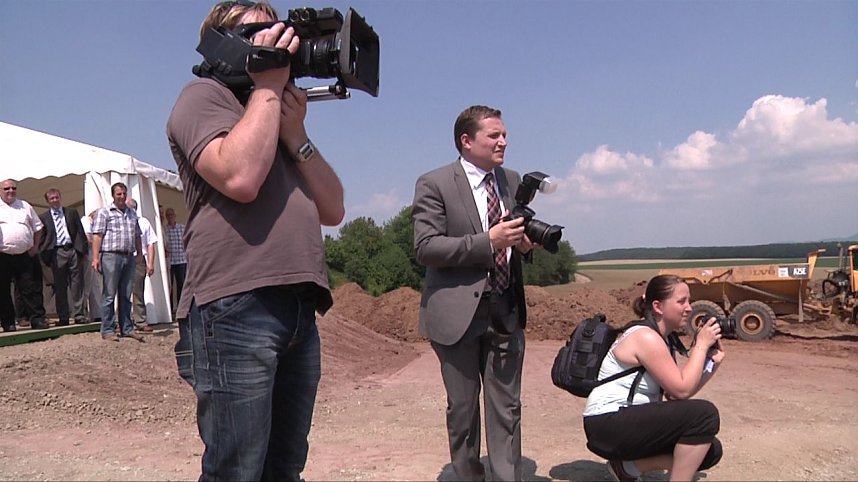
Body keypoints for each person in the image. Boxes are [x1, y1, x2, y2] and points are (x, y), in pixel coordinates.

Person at [166, 1, 345, 479]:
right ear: (223, 42)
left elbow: (333, 208)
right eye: (261, 34)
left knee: (284, 468)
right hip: (235, 305)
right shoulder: (201, 97)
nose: (278, 43)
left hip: (298, 308)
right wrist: (268, 89)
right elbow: (240, 178)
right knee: (236, 471)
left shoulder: (270, 119)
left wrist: (296, 134)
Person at [412, 105, 533, 481]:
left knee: (507, 408)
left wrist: (524, 244)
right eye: (494, 135)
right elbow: (426, 247)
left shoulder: (511, 180)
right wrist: (488, 241)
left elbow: (512, 238)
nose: (503, 141)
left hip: (505, 308)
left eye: (504, 134)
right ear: (467, 141)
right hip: (456, 314)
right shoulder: (435, 183)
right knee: (463, 409)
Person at [582, 274, 725, 482]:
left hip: (626, 421)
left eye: (689, 301)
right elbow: (682, 390)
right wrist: (701, 346)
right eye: (681, 301)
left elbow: (676, 396)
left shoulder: (662, 339)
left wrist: (711, 365)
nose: (689, 308)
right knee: (705, 414)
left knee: (710, 449)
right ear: (658, 306)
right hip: (607, 422)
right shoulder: (645, 336)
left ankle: (627, 468)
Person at [90, 182, 144, 342]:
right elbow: (97, 236)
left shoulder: (132, 213)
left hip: (129, 256)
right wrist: (95, 257)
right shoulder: (104, 212)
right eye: (119, 194)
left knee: (126, 294)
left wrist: (139, 253)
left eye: (124, 193)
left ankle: (127, 328)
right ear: (113, 195)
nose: (122, 196)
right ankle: (108, 329)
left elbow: (137, 235)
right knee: (109, 294)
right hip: (111, 256)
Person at [0, 179, 48, 331]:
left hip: (24, 255)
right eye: (6, 188)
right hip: (3, 255)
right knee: (3, 291)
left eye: (13, 188)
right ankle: (8, 323)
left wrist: (35, 247)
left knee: (30, 289)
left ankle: (37, 320)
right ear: (0, 190)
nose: (10, 191)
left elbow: (38, 228)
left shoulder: (25, 206)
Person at [39, 188, 89, 326]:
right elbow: (42, 238)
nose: (55, 200)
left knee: (77, 284)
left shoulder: (71, 212)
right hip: (56, 252)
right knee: (60, 286)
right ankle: (63, 317)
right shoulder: (44, 217)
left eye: (57, 197)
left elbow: (80, 232)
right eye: (52, 198)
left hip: (72, 249)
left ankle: (79, 314)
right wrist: (44, 255)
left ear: (60, 197)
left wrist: (83, 252)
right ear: (48, 201)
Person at [125, 198, 158, 331]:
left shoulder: (143, 222)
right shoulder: (119, 220)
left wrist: (150, 263)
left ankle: (140, 321)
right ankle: (123, 322)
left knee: (138, 291)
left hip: (138, 259)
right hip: (123, 257)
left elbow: (150, 243)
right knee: (122, 291)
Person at [163, 207, 187, 316]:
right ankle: (171, 309)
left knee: (181, 285)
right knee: (170, 286)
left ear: (175, 216)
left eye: (172, 215)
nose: (170, 217)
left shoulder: (182, 228)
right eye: (168, 215)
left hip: (181, 260)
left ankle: (182, 309)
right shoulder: (164, 230)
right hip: (170, 261)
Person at [80, 210, 102, 322]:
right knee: (87, 285)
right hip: (88, 254)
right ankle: (82, 312)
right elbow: (88, 238)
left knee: (96, 285)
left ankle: (98, 314)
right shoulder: (86, 220)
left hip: (94, 254)